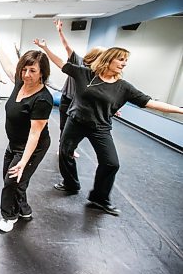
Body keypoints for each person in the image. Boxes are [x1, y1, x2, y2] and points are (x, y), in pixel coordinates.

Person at [35, 46, 183, 215]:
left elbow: (150, 102)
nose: (124, 64)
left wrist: (180, 110)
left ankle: (99, 198)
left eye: (126, 61)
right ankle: (70, 183)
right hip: (76, 121)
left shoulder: (123, 87)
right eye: (121, 59)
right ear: (108, 59)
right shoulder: (86, 74)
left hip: (100, 127)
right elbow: (61, 64)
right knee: (65, 152)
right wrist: (45, 48)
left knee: (111, 163)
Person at [0, 31, 53, 233]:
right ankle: (24, 209)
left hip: (32, 147)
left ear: (42, 72)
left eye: (32, 71)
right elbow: (9, 66)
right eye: (24, 70)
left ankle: (9, 216)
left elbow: (34, 134)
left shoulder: (42, 99)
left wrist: (23, 162)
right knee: (16, 181)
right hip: (14, 144)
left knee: (12, 181)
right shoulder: (21, 83)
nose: (27, 75)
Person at [36, 19, 106, 158]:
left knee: (76, 129)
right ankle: (63, 147)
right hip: (67, 99)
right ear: (96, 57)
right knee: (64, 126)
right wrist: (59, 32)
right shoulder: (78, 62)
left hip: (81, 103)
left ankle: (70, 147)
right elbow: (67, 47)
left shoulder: (98, 72)